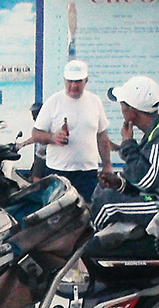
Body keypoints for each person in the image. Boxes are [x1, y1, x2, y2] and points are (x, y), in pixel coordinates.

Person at [91, 75, 159, 233]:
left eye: (123, 106)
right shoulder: (152, 134)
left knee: (108, 204)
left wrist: (128, 144)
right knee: (103, 191)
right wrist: (119, 183)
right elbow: (140, 178)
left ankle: (89, 250)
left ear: (133, 113)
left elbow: (147, 181)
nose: (121, 110)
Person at [30, 60, 112, 202]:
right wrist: (52, 137)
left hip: (87, 172)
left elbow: (102, 136)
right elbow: (36, 134)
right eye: (70, 81)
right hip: (58, 170)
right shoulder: (53, 102)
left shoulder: (95, 101)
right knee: (57, 215)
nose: (73, 86)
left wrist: (107, 164)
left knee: (88, 213)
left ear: (86, 81)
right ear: (64, 80)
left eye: (78, 81)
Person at [17, 101, 47, 182]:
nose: (32, 115)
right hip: (40, 155)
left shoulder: (44, 122)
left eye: (34, 113)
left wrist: (22, 144)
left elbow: (37, 138)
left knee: (36, 179)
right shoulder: (40, 122)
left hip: (44, 157)